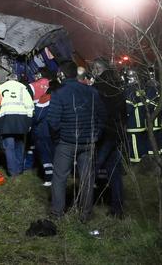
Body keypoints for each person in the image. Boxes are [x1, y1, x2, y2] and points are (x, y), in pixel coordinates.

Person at [48, 60, 106, 221]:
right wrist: (96, 134)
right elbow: (102, 115)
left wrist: (58, 138)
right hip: (88, 142)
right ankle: (85, 214)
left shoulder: (59, 93)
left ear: (61, 75)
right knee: (87, 178)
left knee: (60, 178)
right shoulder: (92, 91)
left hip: (66, 142)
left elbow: (52, 121)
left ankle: (57, 213)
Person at [91, 58, 126, 218]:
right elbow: (123, 111)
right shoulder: (117, 85)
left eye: (94, 69)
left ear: (98, 69)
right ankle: (117, 208)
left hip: (103, 133)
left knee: (92, 168)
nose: (93, 71)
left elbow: (95, 111)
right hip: (116, 132)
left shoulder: (98, 87)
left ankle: (84, 206)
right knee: (114, 172)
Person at [0, 69, 34, 177]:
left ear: (7, 79)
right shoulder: (22, 87)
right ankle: (19, 169)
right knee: (20, 145)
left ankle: (13, 172)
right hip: (21, 118)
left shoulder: (1, 87)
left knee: (9, 147)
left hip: (6, 119)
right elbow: (30, 106)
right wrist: (29, 122)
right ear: (16, 79)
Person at [30, 69, 56, 186]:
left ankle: (49, 178)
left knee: (45, 154)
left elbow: (38, 116)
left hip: (43, 131)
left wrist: (32, 123)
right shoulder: (62, 98)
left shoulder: (46, 98)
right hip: (56, 131)